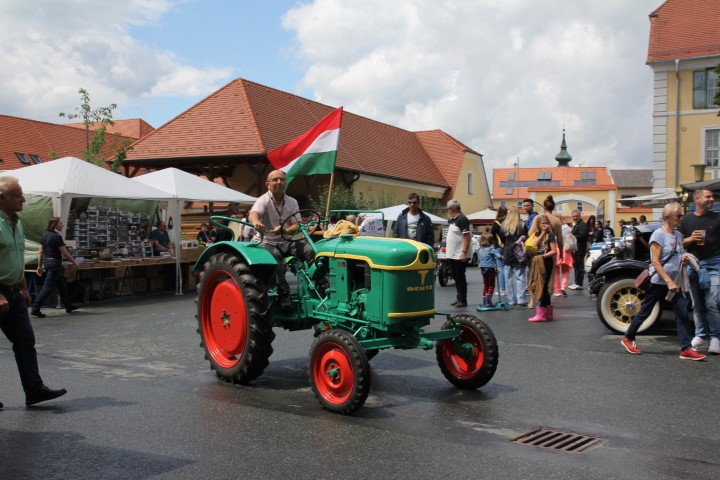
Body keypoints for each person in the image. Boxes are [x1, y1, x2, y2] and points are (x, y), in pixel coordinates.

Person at [0, 176, 68, 408]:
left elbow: (15, 257)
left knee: (25, 340)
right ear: (1, 198)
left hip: (13, 291)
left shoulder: (16, 222)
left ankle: (34, 390)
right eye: (18, 195)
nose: (23, 199)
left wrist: (22, 288)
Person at [621, 203, 706, 360]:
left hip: (676, 281)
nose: (681, 219)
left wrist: (684, 261)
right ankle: (628, 337)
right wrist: (669, 282)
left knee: (682, 314)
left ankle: (685, 348)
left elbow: (677, 253)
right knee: (646, 310)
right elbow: (656, 262)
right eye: (678, 216)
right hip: (661, 281)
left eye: (682, 215)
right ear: (667, 218)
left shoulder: (678, 236)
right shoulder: (658, 235)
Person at [249, 170, 314, 311]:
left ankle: (316, 285)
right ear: (268, 184)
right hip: (267, 241)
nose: (279, 182)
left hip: (286, 240)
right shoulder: (263, 200)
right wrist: (255, 222)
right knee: (275, 258)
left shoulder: (292, 201)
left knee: (311, 251)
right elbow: (254, 214)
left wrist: (285, 230)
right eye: (275, 180)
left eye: (282, 180)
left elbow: (297, 224)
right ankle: (283, 294)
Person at [678, 188, 720, 354]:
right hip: (694, 264)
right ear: (697, 199)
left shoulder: (717, 218)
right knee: (696, 304)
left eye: (712, 197)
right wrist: (690, 238)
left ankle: (716, 337)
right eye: (708, 196)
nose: (712, 199)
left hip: (714, 263)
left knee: (712, 303)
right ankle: (701, 334)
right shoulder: (687, 221)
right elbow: (679, 243)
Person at [30, 217, 80, 318]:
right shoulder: (57, 237)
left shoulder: (44, 235)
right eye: (60, 223)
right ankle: (35, 308)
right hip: (55, 263)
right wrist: (74, 262)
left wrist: (39, 266)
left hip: (47, 263)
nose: (62, 225)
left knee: (62, 285)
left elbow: (40, 252)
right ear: (55, 225)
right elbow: (64, 253)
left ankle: (68, 305)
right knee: (47, 288)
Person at [527, 215, 557, 322]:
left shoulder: (551, 235)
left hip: (546, 261)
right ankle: (547, 312)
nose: (544, 225)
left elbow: (554, 251)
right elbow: (534, 244)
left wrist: (542, 256)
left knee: (543, 286)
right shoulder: (538, 234)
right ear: (538, 225)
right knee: (541, 284)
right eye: (542, 223)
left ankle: (542, 312)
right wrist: (543, 233)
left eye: (546, 223)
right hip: (538, 262)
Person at [500, 206, 528, 306]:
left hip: (508, 252)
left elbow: (502, 239)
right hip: (518, 252)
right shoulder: (522, 225)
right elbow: (526, 238)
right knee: (520, 276)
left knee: (508, 277)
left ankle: (511, 299)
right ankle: (521, 299)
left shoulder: (504, 225)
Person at [446, 199, 471, 308]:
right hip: (452, 254)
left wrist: (464, 252)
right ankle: (459, 297)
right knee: (455, 276)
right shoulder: (452, 220)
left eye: (448, 208)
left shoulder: (462, 219)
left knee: (460, 276)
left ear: (451, 209)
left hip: (459, 254)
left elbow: (467, 237)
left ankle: (463, 299)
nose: (447, 210)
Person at [477, 233, 502, 307]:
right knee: (491, 285)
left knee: (486, 284)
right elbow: (498, 255)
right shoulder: (491, 249)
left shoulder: (480, 249)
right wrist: (501, 257)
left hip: (483, 268)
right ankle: (488, 302)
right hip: (490, 268)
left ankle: (484, 301)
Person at [568, 210, 588, 290]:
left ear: (580, 216)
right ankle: (576, 282)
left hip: (580, 248)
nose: (575, 217)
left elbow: (582, 235)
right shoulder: (576, 224)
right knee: (576, 266)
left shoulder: (582, 225)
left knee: (579, 266)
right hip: (576, 249)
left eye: (576, 216)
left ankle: (579, 283)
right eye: (574, 216)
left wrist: (573, 237)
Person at [490, 206, 507, 295]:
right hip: (507, 247)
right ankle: (509, 289)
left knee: (501, 268)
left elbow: (491, 235)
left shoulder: (496, 223)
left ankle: (503, 289)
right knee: (508, 268)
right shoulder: (508, 222)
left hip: (499, 247)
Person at [554, 222, 573, 297]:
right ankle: (563, 287)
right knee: (565, 271)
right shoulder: (567, 227)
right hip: (565, 249)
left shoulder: (553, 228)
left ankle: (557, 290)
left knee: (556, 272)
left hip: (556, 249)